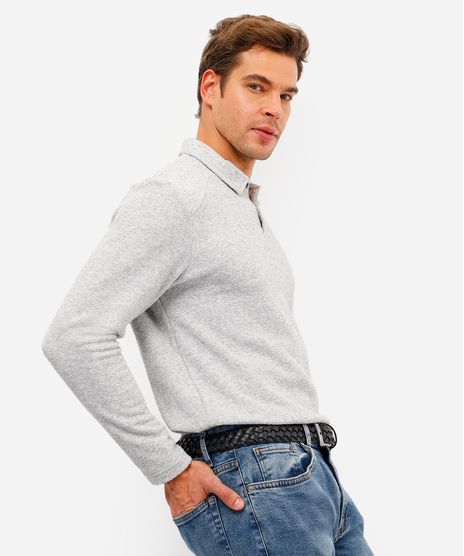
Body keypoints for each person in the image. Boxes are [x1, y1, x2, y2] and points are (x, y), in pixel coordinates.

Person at [42, 13, 374, 556]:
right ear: (210, 87)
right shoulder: (174, 198)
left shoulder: (238, 204)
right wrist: (169, 467)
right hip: (254, 478)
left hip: (313, 475)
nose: (275, 108)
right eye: (256, 86)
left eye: (287, 95)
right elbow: (75, 336)